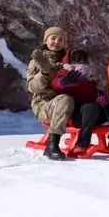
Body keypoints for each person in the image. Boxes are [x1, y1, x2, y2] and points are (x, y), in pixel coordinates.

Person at [51, 49, 109, 154]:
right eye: (76, 61)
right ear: (69, 62)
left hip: (92, 114)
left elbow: (94, 93)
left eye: (82, 61)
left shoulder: (88, 77)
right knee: (91, 107)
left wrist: (101, 96)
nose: (79, 64)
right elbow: (55, 85)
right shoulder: (65, 73)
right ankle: (82, 144)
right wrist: (62, 82)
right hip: (74, 116)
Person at [27, 26, 76, 160]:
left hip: (69, 104)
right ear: (45, 40)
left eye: (61, 40)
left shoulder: (68, 62)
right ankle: (52, 144)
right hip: (44, 105)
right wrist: (44, 72)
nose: (56, 42)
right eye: (53, 38)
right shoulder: (36, 62)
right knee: (65, 99)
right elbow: (32, 87)